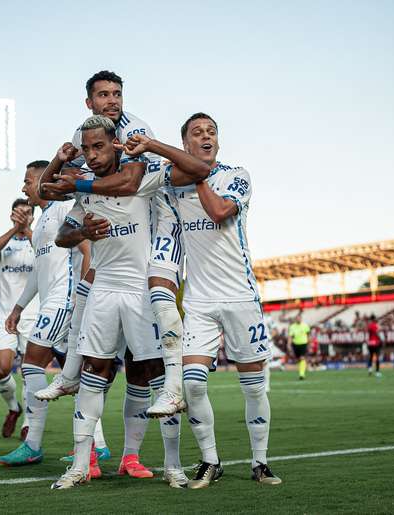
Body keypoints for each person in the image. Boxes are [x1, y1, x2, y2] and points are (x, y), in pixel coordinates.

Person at [49, 115, 211, 490]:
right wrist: (81, 232)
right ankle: (77, 465)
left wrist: (153, 145)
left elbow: (199, 170)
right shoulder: (84, 191)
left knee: (158, 380)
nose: (91, 154)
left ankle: (173, 465)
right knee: (94, 376)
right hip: (103, 291)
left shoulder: (141, 177)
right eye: (86, 148)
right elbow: (61, 234)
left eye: (99, 146)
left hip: (141, 291)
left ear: (115, 144)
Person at [37, 70, 186, 418]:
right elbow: (48, 189)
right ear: (89, 102)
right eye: (103, 95)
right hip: (117, 224)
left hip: (156, 214)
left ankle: (175, 385)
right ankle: (70, 374)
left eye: (117, 93)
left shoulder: (135, 128)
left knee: (161, 296)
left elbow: (131, 182)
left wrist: (81, 186)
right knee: (86, 290)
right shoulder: (84, 133)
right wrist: (61, 163)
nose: (112, 100)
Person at [150, 113, 281, 488]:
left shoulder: (237, 175)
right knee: (192, 383)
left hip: (241, 296)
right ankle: (210, 460)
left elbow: (221, 212)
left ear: (218, 142)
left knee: (253, 385)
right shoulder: (172, 189)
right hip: (199, 302)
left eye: (211, 132)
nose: (206, 137)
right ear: (186, 145)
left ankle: (260, 462)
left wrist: (197, 174)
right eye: (197, 133)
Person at [0, 161, 91, 467]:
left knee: (33, 363)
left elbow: (87, 249)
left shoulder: (64, 210)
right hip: (52, 299)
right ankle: (97, 446)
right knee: (76, 374)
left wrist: (83, 295)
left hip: (65, 300)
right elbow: (38, 271)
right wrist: (19, 308)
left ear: (42, 180)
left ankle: (33, 443)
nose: (24, 187)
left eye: (27, 181)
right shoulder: (42, 226)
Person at [0, 198, 37, 440]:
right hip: (5, 314)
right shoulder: (4, 243)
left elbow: (48, 255)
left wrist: (26, 230)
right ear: (11, 215)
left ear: (33, 217)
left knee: (30, 370)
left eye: (27, 213)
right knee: (2, 369)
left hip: (33, 314)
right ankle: (13, 408)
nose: (23, 216)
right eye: (19, 213)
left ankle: (28, 422)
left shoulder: (38, 240)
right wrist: (15, 229)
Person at [288, 314, 310, 380]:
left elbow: (308, 335)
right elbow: (290, 336)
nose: (298, 319)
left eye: (299, 318)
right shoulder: (292, 327)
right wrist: (288, 344)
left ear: (301, 319)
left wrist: (309, 343)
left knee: (302, 358)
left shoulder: (305, 326)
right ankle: (301, 371)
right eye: (297, 318)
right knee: (299, 360)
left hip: (303, 344)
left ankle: (302, 374)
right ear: (295, 319)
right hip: (295, 344)